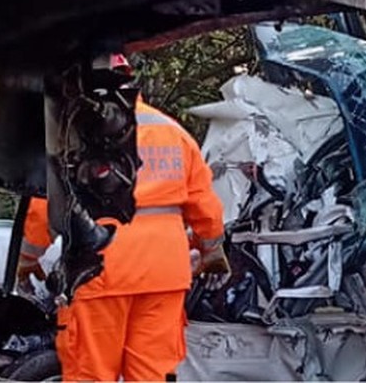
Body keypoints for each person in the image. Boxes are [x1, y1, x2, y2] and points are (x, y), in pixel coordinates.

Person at [17, 54, 229, 382]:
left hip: (101, 270)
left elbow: (44, 206)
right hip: (164, 274)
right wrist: (213, 253)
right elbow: (205, 205)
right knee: (152, 373)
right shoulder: (172, 131)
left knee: (91, 373)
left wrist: (27, 257)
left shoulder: (76, 130)